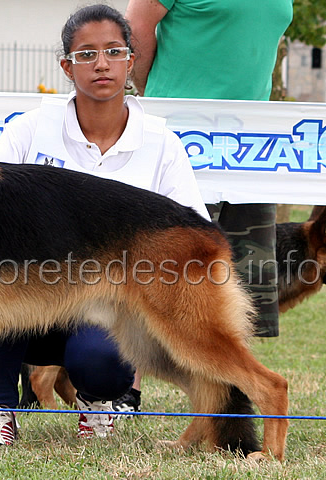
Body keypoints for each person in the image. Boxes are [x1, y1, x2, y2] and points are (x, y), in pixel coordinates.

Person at [0, 4, 210, 447]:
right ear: (67, 66)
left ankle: (97, 400)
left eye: (113, 51)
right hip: (29, 295)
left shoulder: (161, 143)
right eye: (86, 55)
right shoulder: (29, 130)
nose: (101, 64)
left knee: (101, 362)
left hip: (109, 304)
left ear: (131, 59)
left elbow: (188, 235)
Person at [124, 0, 293, 407]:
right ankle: (123, 393)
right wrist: (157, 96)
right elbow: (135, 26)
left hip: (251, 150)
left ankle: (226, 401)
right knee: (156, 272)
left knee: (239, 283)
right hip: (183, 137)